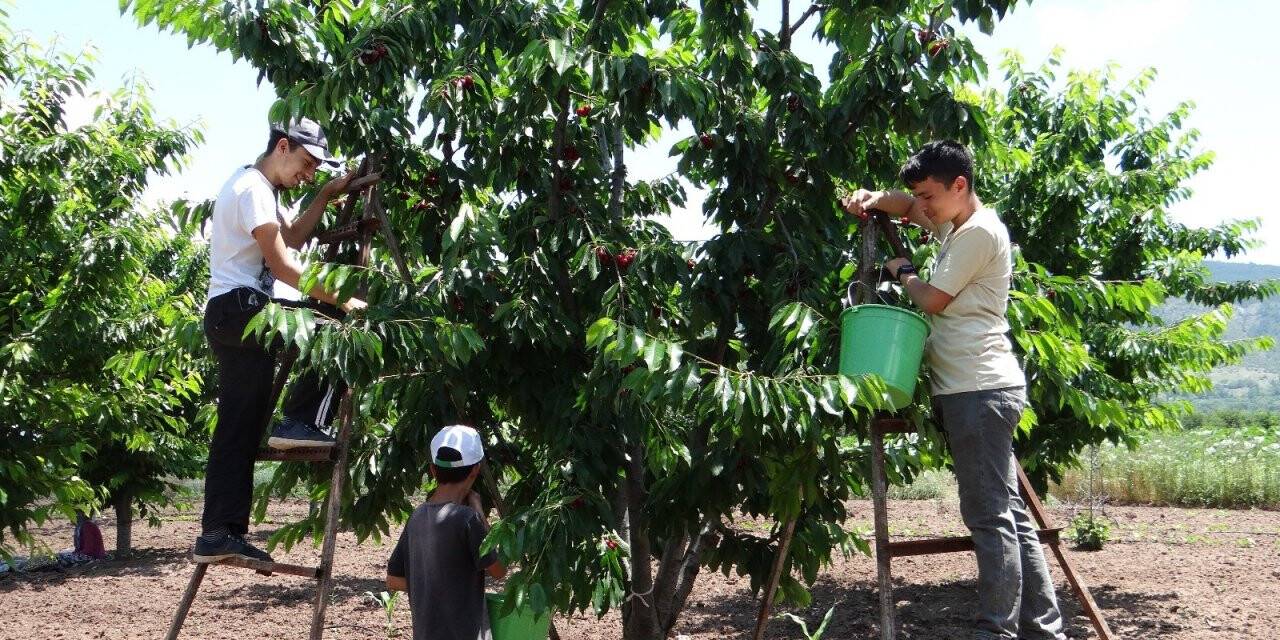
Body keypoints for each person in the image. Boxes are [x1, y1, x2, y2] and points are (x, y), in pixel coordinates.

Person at [841, 140, 1067, 640]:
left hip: (978, 391)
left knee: (989, 519)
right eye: (918, 197)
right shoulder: (956, 221)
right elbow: (906, 206)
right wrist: (876, 198)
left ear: (959, 186)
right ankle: (1043, 629)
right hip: (982, 387)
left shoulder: (977, 234)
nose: (921, 208)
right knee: (1010, 516)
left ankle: (997, 631)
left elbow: (935, 300)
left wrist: (903, 272)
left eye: (929, 196)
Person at [194, 118, 373, 564]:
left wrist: (326, 194)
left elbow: (291, 237)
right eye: (306, 164)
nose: (307, 175)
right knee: (340, 332)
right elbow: (284, 266)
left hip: (225, 316)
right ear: (282, 146)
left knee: (238, 430)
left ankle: (219, 532)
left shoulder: (255, 187)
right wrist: (342, 299)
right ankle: (302, 418)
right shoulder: (254, 188)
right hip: (243, 308)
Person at [386, 425, 507, 640]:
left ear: (433, 470)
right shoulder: (468, 519)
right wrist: (479, 511)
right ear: (475, 470)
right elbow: (498, 570)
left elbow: (393, 580)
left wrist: (433, 587)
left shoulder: (416, 517)